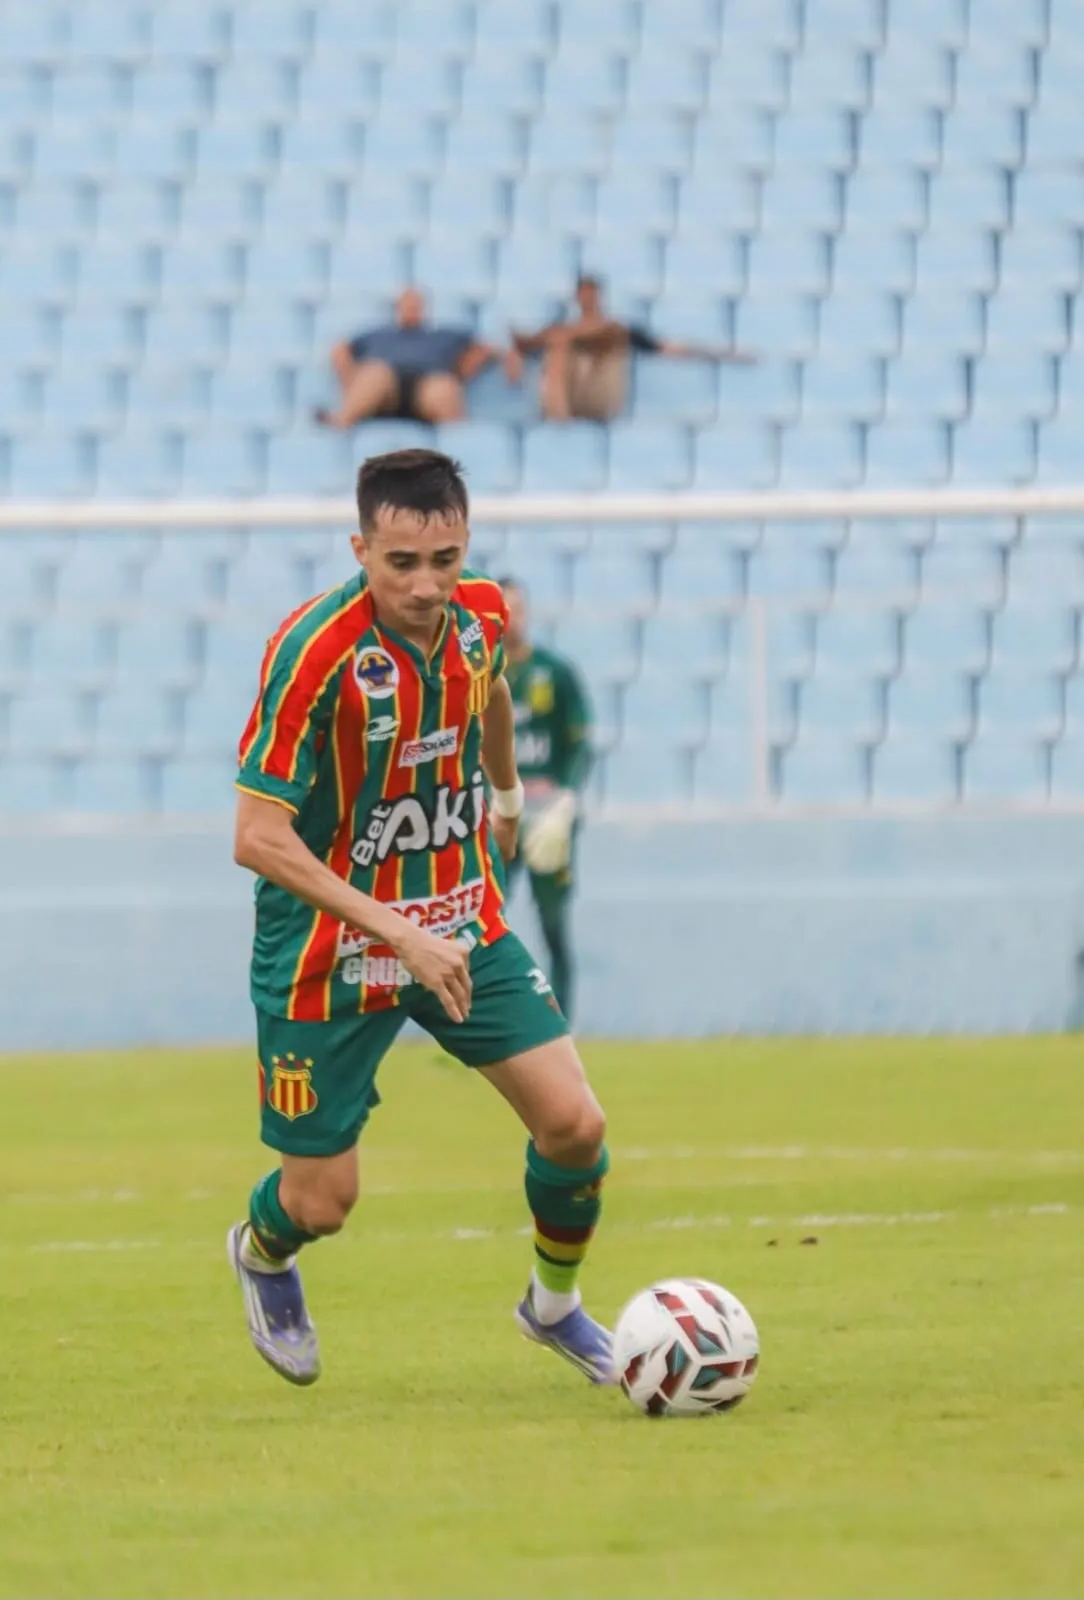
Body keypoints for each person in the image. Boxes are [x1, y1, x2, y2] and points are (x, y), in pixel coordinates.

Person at [228, 448, 613, 1388]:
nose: (427, 584)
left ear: (465, 544)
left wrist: (509, 793)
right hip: (329, 951)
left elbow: (487, 692)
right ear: (361, 549)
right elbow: (257, 836)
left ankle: (553, 1305)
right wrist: (395, 932)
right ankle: (261, 1251)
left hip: (458, 917)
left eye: (445, 558)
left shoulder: (482, 614)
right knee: (322, 1202)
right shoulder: (313, 652)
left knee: (575, 1126)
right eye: (402, 563)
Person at [499, 578, 592, 1021]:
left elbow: (580, 742)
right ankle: (478, 1025)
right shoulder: (477, 676)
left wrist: (567, 799)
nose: (511, 617)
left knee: (553, 926)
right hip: (496, 814)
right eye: (502, 608)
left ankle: (561, 1028)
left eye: (517, 607)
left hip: (547, 813)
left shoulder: (554, 673)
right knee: (479, 922)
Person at [511, 273, 752, 423]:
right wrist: (515, 357)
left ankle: (560, 419)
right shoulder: (561, 331)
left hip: (601, 397)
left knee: (580, 341)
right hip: (572, 393)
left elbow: (666, 347)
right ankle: (558, 417)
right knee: (558, 346)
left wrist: (723, 354)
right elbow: (526, 344)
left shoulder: (617, 330)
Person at [316, 287, 522, 429]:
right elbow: (339, 350)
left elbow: (487, 347)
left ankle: (456, 446)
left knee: (443, 385)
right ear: (396, 308)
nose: (410, 309)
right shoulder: (377, 334)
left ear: (424, 308)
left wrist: (509, 358)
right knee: (375, 373)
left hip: (427, 390)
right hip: (386, 392)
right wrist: (351, 381)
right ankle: (342, 420)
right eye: (405, 305)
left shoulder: (443, 335)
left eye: (415, 305)